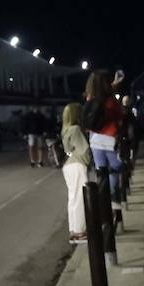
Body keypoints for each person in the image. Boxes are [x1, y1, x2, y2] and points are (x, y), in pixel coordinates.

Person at [83, 69, 127, 228]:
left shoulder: (90, 98)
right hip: (110, 139)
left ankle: (104, 205)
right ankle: (115, 203)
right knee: (115, 169)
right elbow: (119, 117)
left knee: (101, 172)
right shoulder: (110, 101)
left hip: (95, 140)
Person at [60, 102, 92, 244]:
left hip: (68, 165)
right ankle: (80, 232)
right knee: (79, 198)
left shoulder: (66, 129)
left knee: (73, 198)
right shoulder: (76, 129)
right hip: (78, 164)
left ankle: (74, 230)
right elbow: (84, 150)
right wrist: (89, 161)